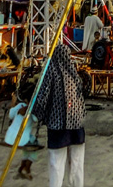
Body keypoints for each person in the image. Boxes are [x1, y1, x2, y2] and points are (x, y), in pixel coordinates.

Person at [32, 46, 87, 187]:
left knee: (56, 164)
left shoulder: (51, 70)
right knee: (77, 163)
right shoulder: (73, 72)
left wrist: (36, 114)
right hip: (76, 124)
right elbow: (81, 96)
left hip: (58, 124)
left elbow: (42, 96)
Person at [5, 86, 41, 180]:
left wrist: (13, 104)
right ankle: (27, 169)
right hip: (20, 138)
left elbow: (10, 115)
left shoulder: (19, 106)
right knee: (34, 147)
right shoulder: (31, 110)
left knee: (29, 143)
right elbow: (36, 119)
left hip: (9, 136)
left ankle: (22, 167)